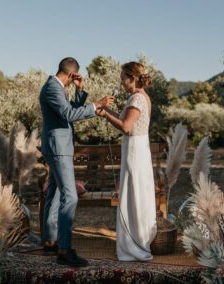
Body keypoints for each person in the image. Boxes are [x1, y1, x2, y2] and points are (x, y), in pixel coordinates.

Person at [39, 57, 114, 267]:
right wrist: (97, 104)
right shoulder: (52, 88)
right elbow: (69, 114)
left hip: (57, 147)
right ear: (72, 75)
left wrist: (80, 91)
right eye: (76, 79)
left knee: (54, 193)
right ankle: (64, 249)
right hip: (58, 148)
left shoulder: (56, 86)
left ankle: (50, 241)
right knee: (70, 196)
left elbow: (70, 109)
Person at [97, 61, 157, 261]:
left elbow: (126, 127)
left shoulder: (137, 99)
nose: (121, 82)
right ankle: (138, 240)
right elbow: (126, 122)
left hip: (135, 151)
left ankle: (134, 245)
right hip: (138, 148)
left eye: (123, 78)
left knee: (134, 194)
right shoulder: (140, 97)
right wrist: (106, 113)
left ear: (132, 78)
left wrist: (105, 114)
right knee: (136, 193)